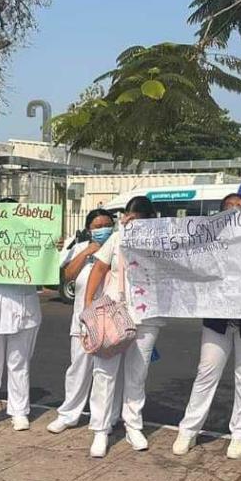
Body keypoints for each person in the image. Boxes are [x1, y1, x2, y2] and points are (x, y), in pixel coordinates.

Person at [172, 193, 241, 459]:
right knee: (206, 373)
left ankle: (240, 434)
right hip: (217, 321)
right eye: (229, 210)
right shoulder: (209, 241)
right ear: (219, 214)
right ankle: (188, 430)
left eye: (239, 209)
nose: (235, 214)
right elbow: (186, 258)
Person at [82, 196, 165, 458]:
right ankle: (100, 429)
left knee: (137, 374)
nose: (136, 221)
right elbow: (98, 269)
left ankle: (133, 425)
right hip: (114, 312)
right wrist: (87, 308)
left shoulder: (161, 240)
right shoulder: (118, 238)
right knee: (105, 372)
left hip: (148, 315)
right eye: (132, 216)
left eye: (142, 218)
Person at [0, 197, 42, 432]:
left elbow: (50, 275)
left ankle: (19, 411)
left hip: (25, 310)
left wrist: (51, 247)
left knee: (19, 365)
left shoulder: (33, 237)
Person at [46, 208, 117, 434]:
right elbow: (68, 275)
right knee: (78, 368)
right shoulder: (80, 248)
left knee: (105, 375)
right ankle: (69, 414)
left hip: (110, 323)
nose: (103, 229)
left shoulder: (118, 249)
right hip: (82, 322)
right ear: (89, 229)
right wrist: (89, 251)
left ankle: (104, 419)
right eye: (97, 227)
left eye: (107, 225)